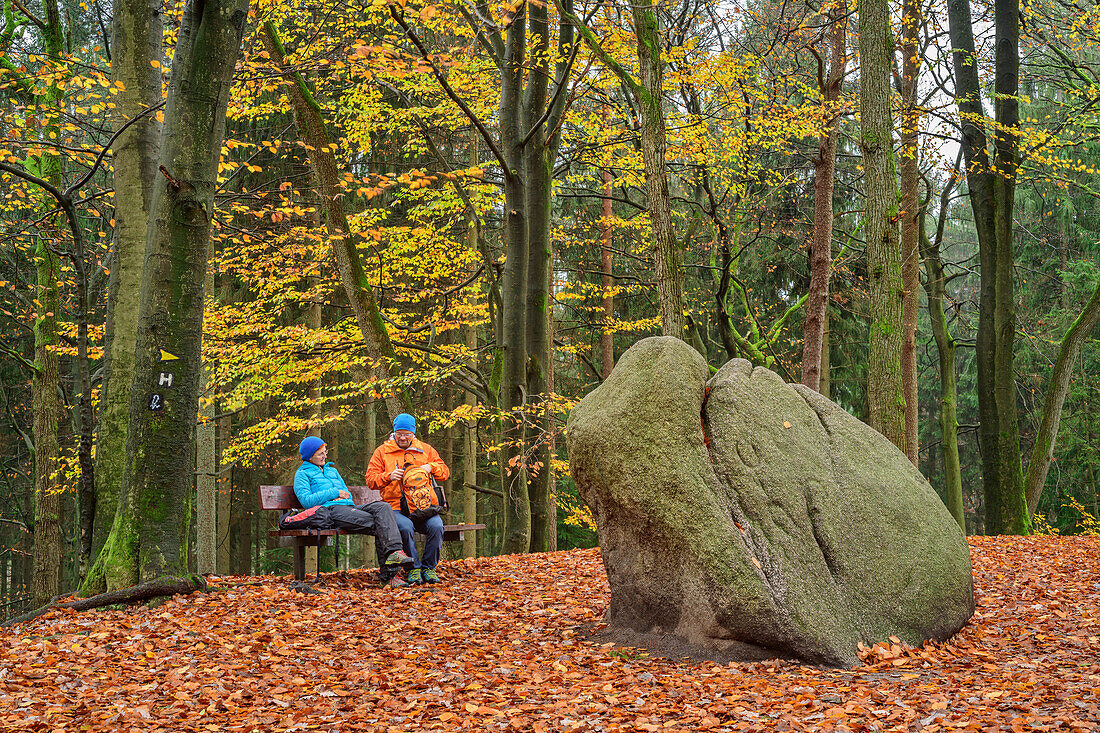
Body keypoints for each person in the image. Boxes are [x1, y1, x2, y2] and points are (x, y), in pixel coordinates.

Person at [294, 436, 414, 588]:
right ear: (309, 456)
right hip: (330, 510)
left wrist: (341, 495)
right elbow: (306, 501)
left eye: (325, 452)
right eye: (320, 454)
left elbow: (347, 493)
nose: (325, 456)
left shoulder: (332, 470)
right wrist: (333, 493)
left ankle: (394, 552)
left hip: (348, 506)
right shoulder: (302, 474)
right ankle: (390, 576)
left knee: (383, 507)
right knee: (380, 524)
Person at [366, 413, 450, 585]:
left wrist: (430, 467)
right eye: (399, 434)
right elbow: (370, 480)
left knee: (437, 526)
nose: (403, 438)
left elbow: (444, 472)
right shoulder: (382, 452)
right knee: (405, 527)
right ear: (394, 433)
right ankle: (413, 569)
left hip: (423, 506)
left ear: (414, 433)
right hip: (394, 506)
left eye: (407, 434)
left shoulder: (425, 450)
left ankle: (429, 568)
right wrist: (388, 476)